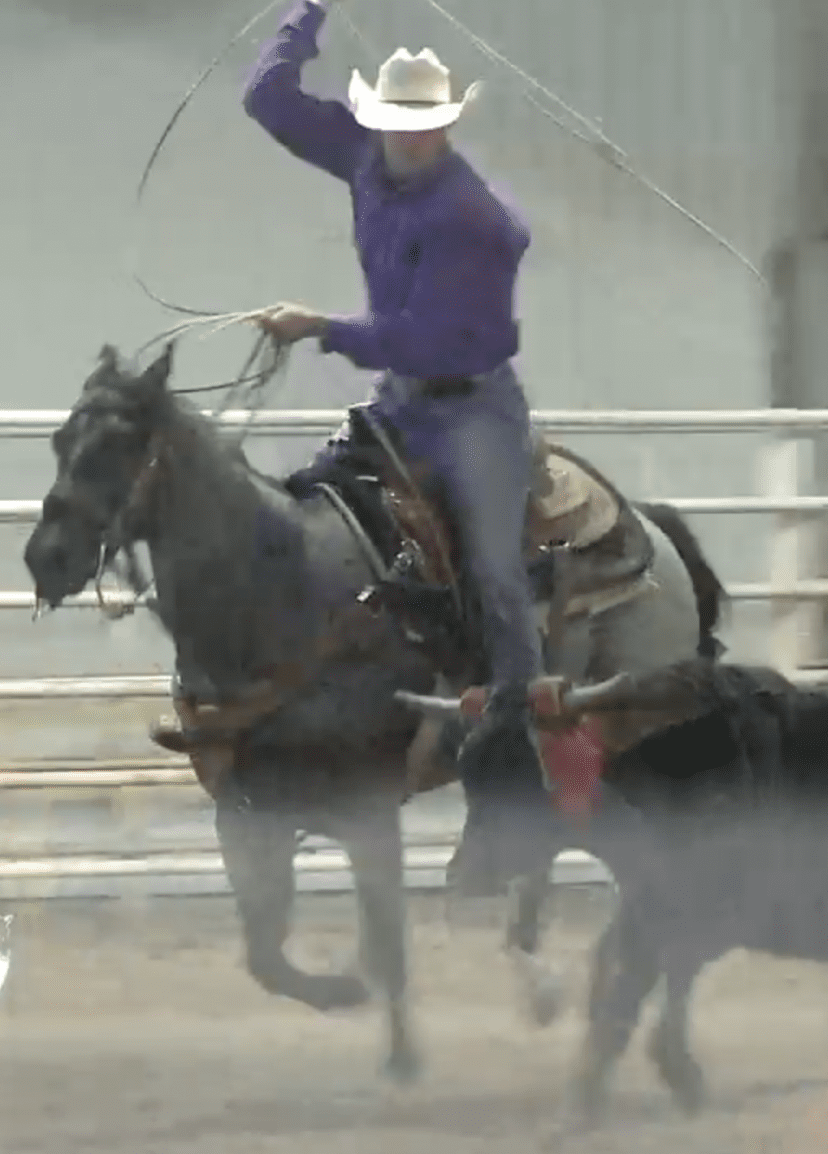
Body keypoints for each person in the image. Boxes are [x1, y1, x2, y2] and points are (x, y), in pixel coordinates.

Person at [238, 1, 549, 834]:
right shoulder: (364, 154)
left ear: (444, 127)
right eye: (397, 123)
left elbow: (428, 338)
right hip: (404, 403)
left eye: (423, 126)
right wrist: (307, 13)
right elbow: (266, 99)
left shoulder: (475, 221)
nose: (407, 138)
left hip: (470, 409)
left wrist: (321, 327)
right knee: (311, 518)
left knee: (495, 570)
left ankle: (517, 750)